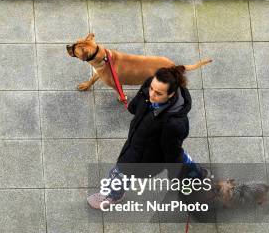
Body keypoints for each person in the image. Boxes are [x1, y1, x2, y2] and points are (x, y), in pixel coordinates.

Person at [88, 65, 208, 209]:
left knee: (120, 171)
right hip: (142, 138)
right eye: (151, 88)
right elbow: (139, 100)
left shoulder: (174, 124)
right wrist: (136, 104)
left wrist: (175, 176)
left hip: (148, 154)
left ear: (171, 95)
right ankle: (196, 173)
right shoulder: (152, 84)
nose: (152, 94)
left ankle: (112, 195)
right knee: (180, 156)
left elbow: (171, 153)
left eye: (158, 93)